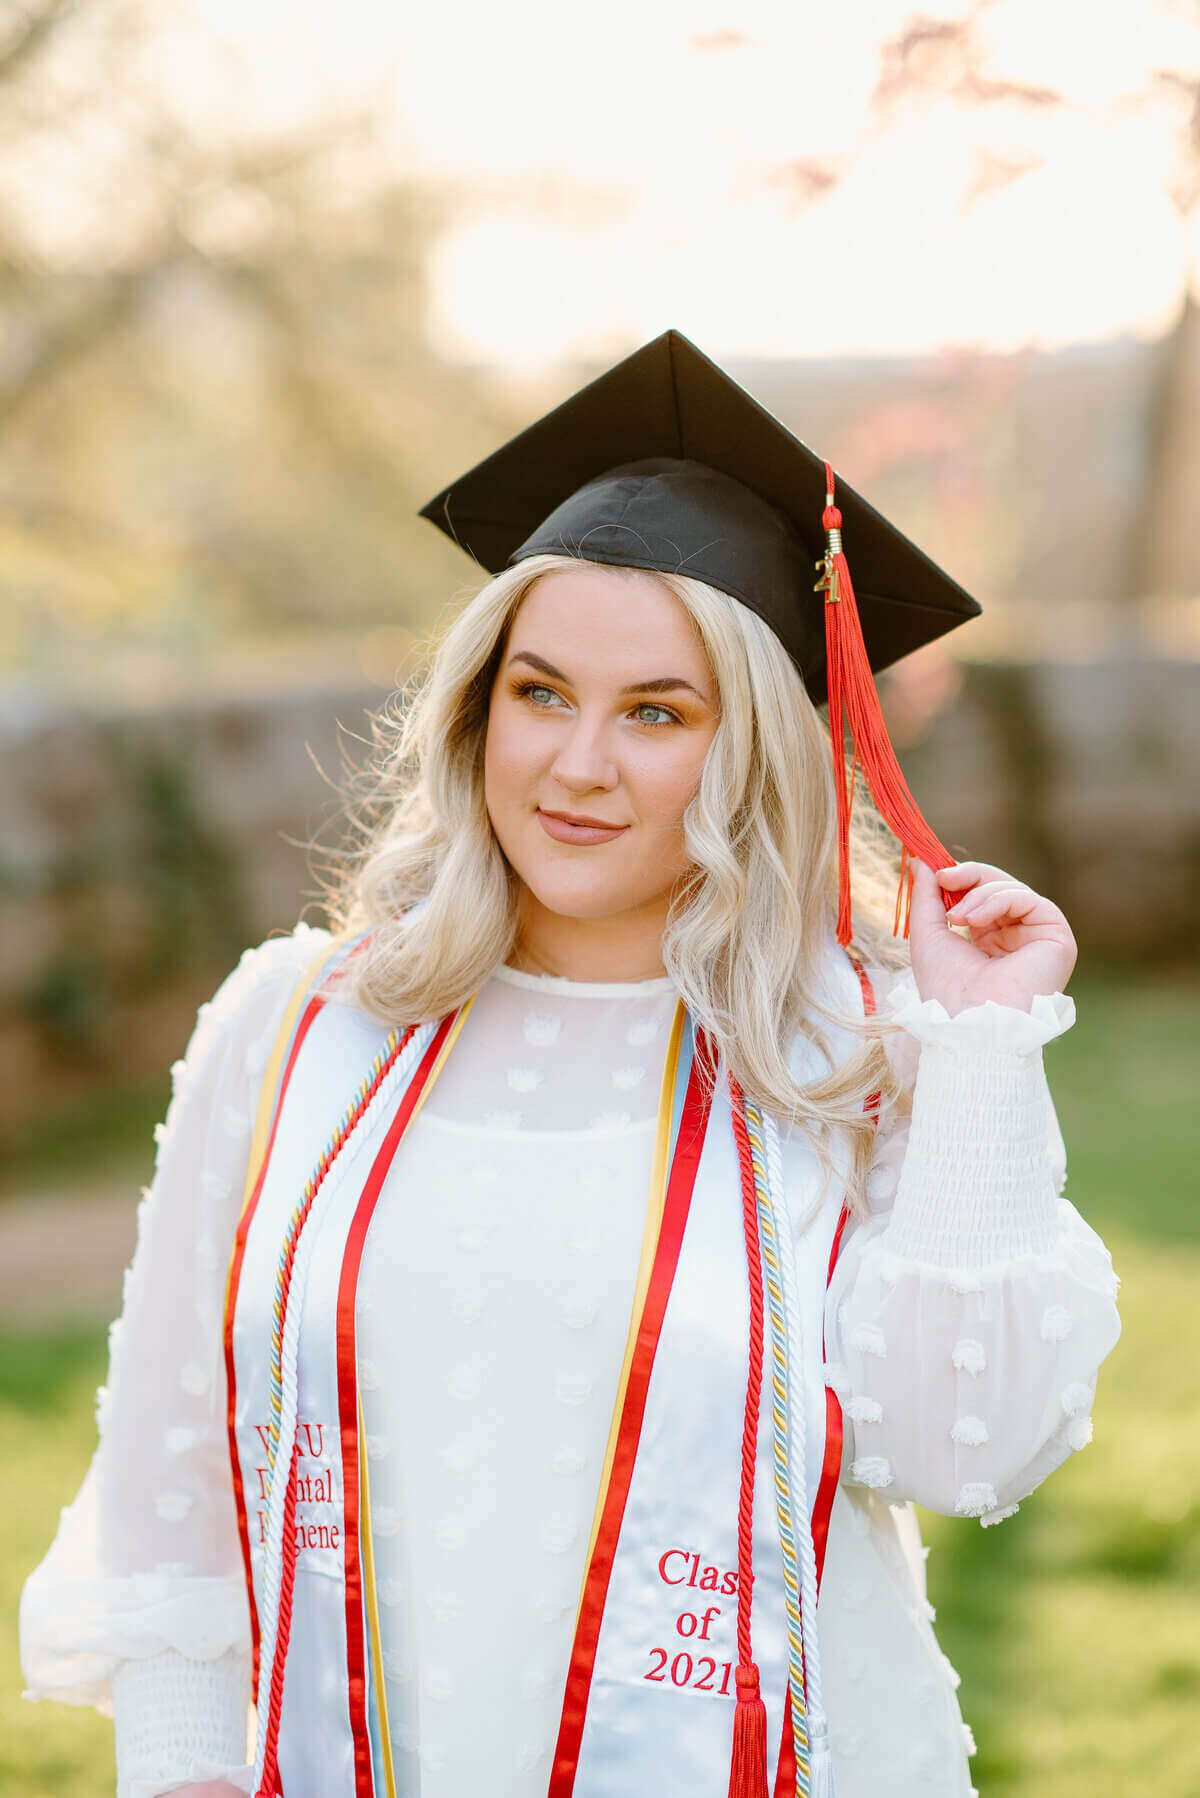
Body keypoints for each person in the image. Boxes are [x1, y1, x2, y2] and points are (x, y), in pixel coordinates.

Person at [20, 332, 1122, 1798]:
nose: (578, 762)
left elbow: (965, 1444)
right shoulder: (296, 1032)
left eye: (657, 712)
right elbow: (178, 1466)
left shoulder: (855, 1055)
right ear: (478, 708)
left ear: (756, 753)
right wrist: (180, 1769)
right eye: (541, 691)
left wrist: (979, 1050)